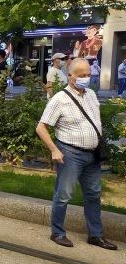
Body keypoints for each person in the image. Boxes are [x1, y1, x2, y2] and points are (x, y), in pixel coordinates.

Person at [36, 58, 117, 250]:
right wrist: (54, 150)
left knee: (93, 195)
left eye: (88, 75)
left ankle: (96, 235)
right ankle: (57, 232)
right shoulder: (59, 99)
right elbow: (41, 127)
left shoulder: (91, 94)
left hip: (92, 154)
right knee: (64, 194)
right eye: (82, 76)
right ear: (70, 76)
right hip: (70, 153)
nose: (86, 79)